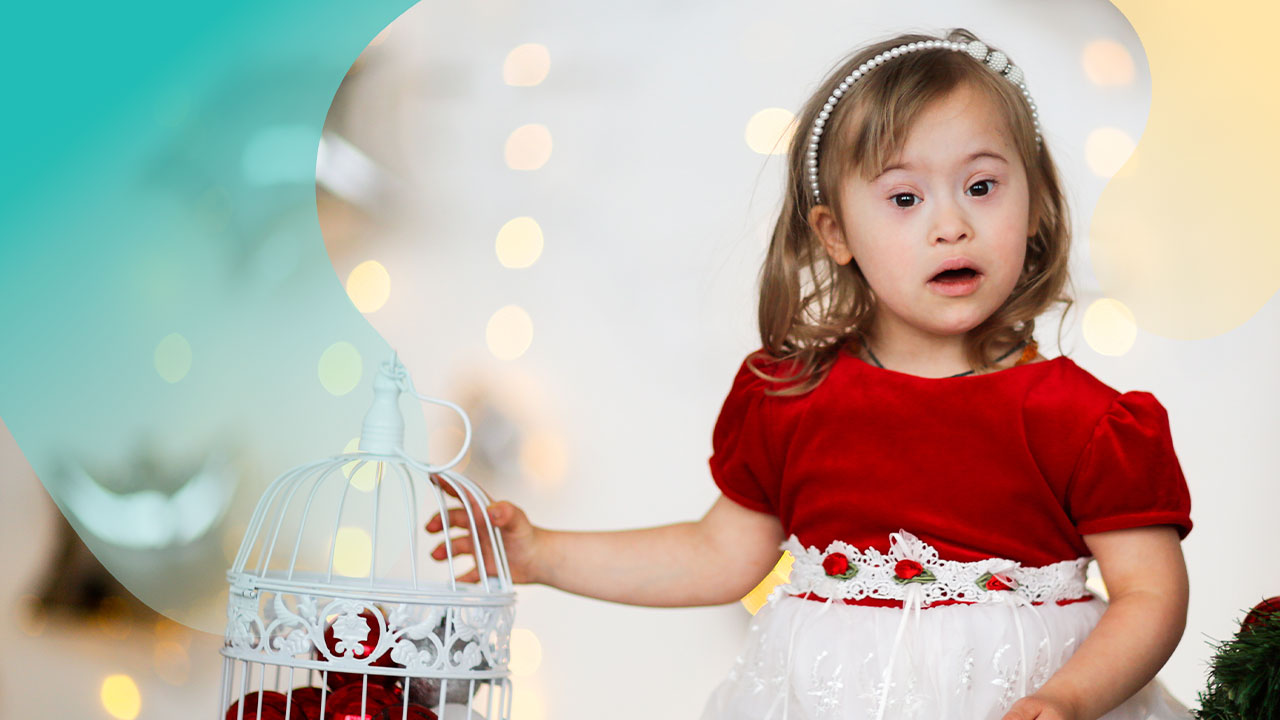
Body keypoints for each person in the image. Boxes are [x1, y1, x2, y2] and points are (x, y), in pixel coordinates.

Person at [425, 27, 1194, 720]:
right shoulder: (792, 396)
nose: (950, 222)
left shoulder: (1085, 420)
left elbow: (1151, 594)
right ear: (834, 233)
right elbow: (716, 554)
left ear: (1034, 208)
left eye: (983, 186)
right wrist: (543, 553)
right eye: (903, 197)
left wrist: (1067, 698)